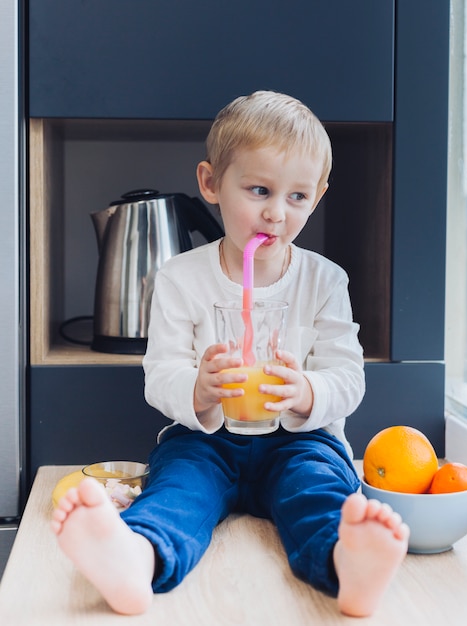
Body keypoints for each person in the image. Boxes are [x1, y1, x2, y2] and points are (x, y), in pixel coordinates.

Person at [52, 91, 409, 618]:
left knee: (317, 489)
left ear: (319, 196)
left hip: (299, 440)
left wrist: (307, 391)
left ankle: (345, 562)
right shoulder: (181, 277)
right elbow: (160, 373)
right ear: (211, 183)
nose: (276, 213)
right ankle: (137, 557)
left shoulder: (325, 281)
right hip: (208, 439)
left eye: (297, 197)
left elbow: (348, 377)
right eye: (259, 189)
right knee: (177, 488)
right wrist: (197, 389)